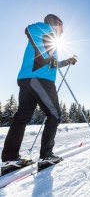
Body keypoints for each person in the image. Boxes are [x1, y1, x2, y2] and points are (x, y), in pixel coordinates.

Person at [1, 14, 77, 175]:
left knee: (22, 116)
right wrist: (45, 56)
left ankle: (10, 158)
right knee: (54, 114)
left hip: (28, 78)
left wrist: (67, 61)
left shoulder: (49, 40)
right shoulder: (46, 29)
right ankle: (46, 156)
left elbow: (51, 63)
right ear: (57, 24)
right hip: (39, 79)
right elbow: (29, 29)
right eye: (62, 28)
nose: (62, 32)